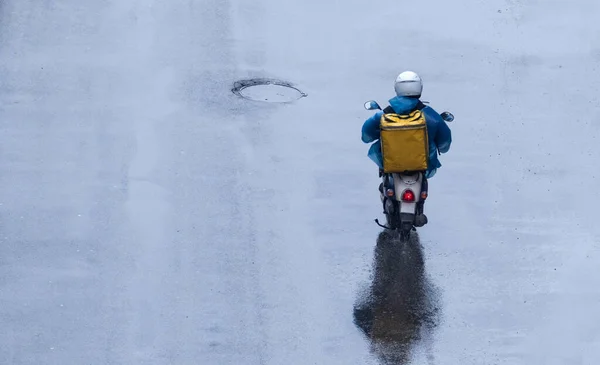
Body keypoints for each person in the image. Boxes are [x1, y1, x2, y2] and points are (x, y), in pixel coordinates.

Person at [361, 71, 452, 226]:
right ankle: (420, 204)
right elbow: (445, 142)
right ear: (419, 89)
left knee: (385, 182)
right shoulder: (431, 117)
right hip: (421, 165)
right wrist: (440, 149)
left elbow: (366, 136)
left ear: (397, 88)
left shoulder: (384, 115)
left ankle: (390, 203)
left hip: (391, 165)